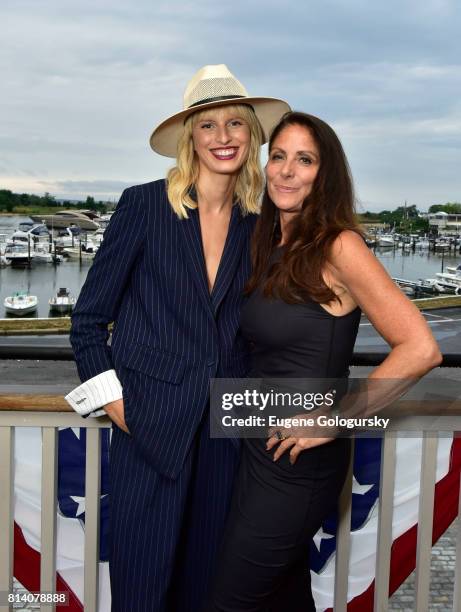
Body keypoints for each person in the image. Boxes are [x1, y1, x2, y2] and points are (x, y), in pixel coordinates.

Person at [64, 64, 290, 612]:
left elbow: (271, 331)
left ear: (252, 135)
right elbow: (88, 322)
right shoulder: (143, 206)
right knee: (142, 591)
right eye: (208, 125)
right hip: (149, 435)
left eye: (236, 124)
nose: (223, 137)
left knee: (208, 591)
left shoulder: (262, 223)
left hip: (228, 440)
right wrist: (122, 410)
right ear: (190, 136)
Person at [206, 111, 442, 611]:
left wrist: (336, 419)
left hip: (298, 464)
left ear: (324, 174)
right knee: (283, 597)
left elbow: (420, 347)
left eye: (305, 160)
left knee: (229, 601)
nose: (287, 171)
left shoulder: (339, 245)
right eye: (279, 156)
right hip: (258, 449)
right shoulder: (272, 244)